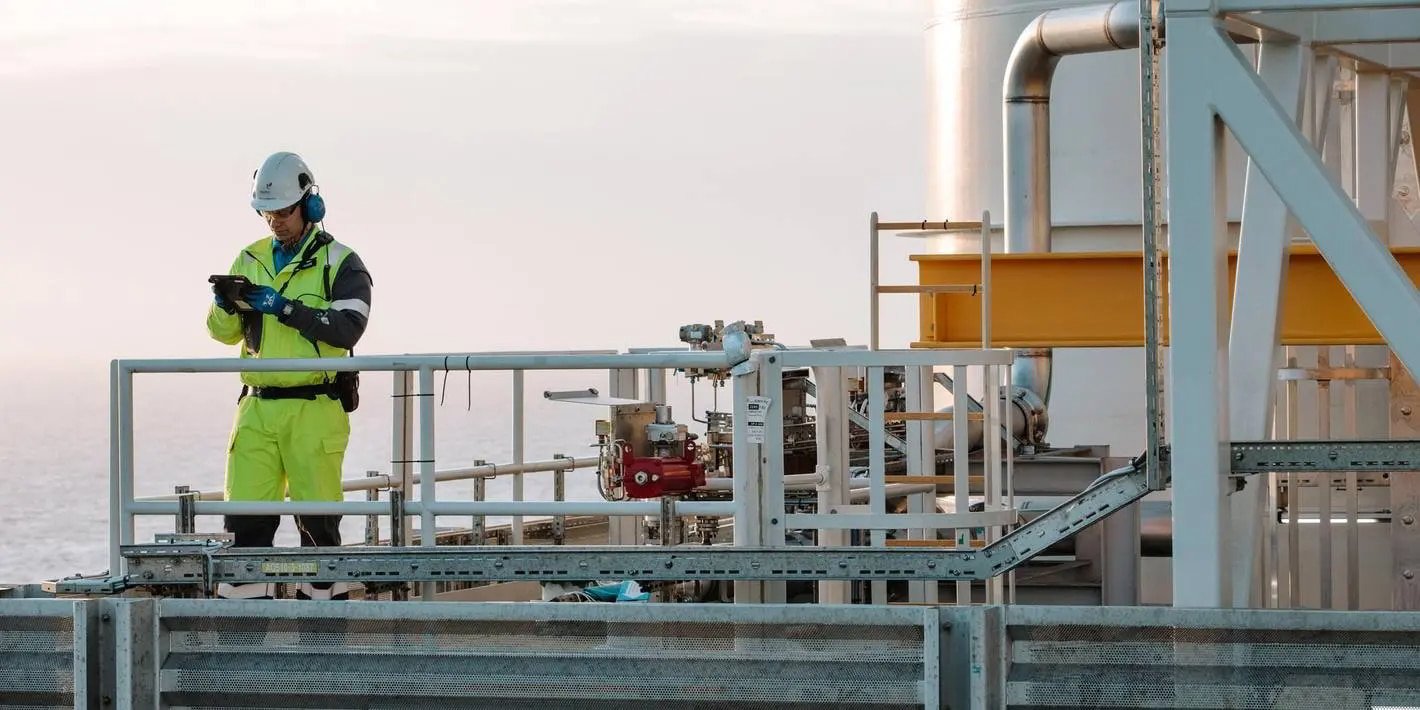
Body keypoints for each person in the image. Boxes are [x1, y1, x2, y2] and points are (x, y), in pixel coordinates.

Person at [206, 151, 373, 600]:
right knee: (244, 525)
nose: (275, 221)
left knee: (317, 528)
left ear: (310, 206)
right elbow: (222, 335)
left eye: (283, 212)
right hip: (257, 409)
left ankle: (319, 652)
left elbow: (347, 327)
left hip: (314, 408)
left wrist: (284, 308)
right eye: (267, 213)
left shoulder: (341, 262)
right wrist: (225, 307)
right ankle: (240, 657)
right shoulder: (249, 257)